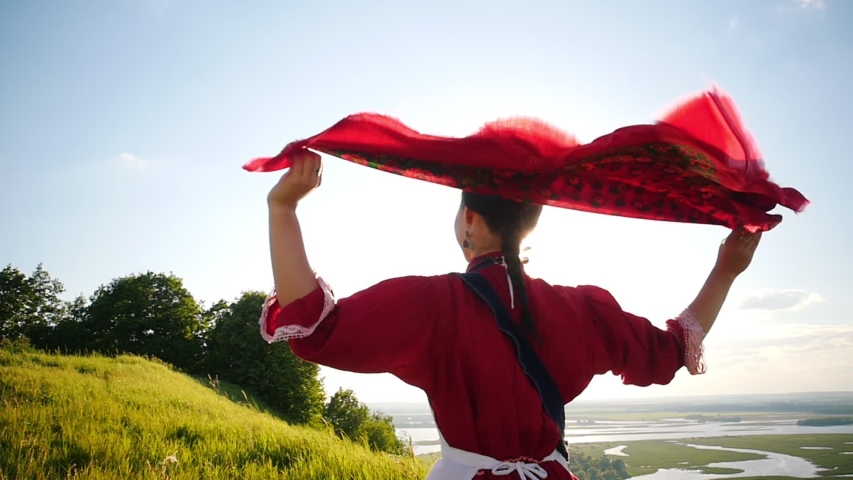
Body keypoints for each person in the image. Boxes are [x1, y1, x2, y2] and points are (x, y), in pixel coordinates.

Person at [259, 150, 762, 480]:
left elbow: (317, 330)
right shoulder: (582, 309)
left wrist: (284, 210)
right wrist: (726, 271)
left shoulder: (437, 304)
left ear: (470, 222)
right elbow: (669, 350)